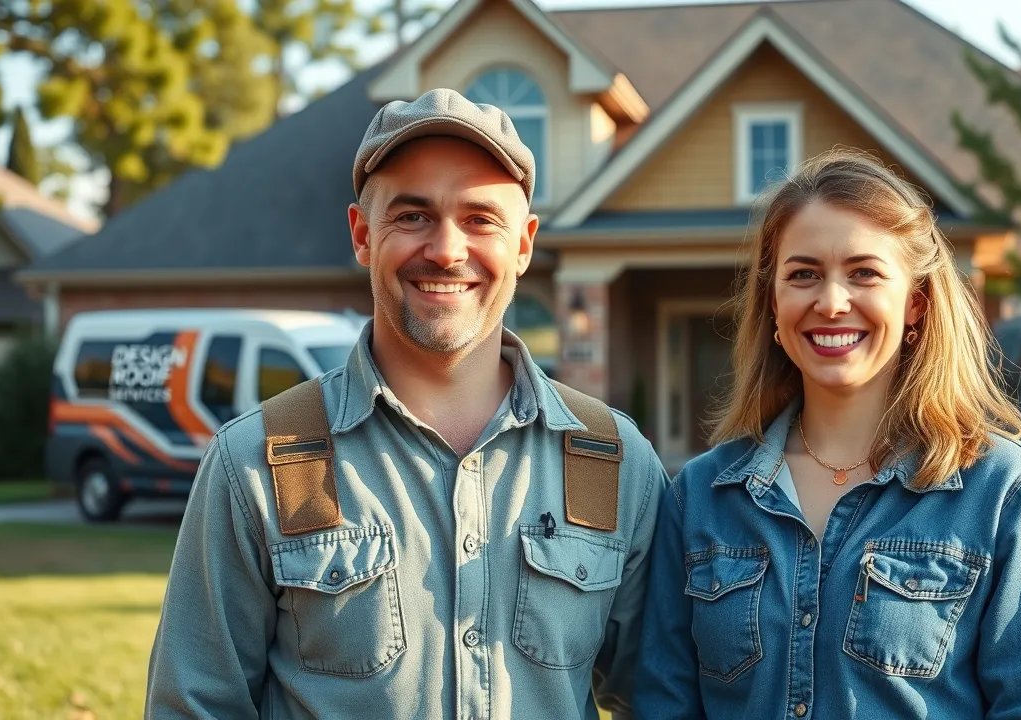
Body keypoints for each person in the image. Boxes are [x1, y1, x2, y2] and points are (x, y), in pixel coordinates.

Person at [146, 88, 666, 719]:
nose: (447, 250)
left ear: (524, 246)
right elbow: (194, 706)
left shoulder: (614, 461)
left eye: (481, 219)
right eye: (413, 216)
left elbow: (660, 701)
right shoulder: (257, 461)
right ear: (363, 235)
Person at [633, 150, 1021, 719]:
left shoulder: (1007, 495)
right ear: (774, 305)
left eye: (865, 273)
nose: (831, 302)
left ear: (916, 304)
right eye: (803, 274)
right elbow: (665, 705)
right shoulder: (702, 497)